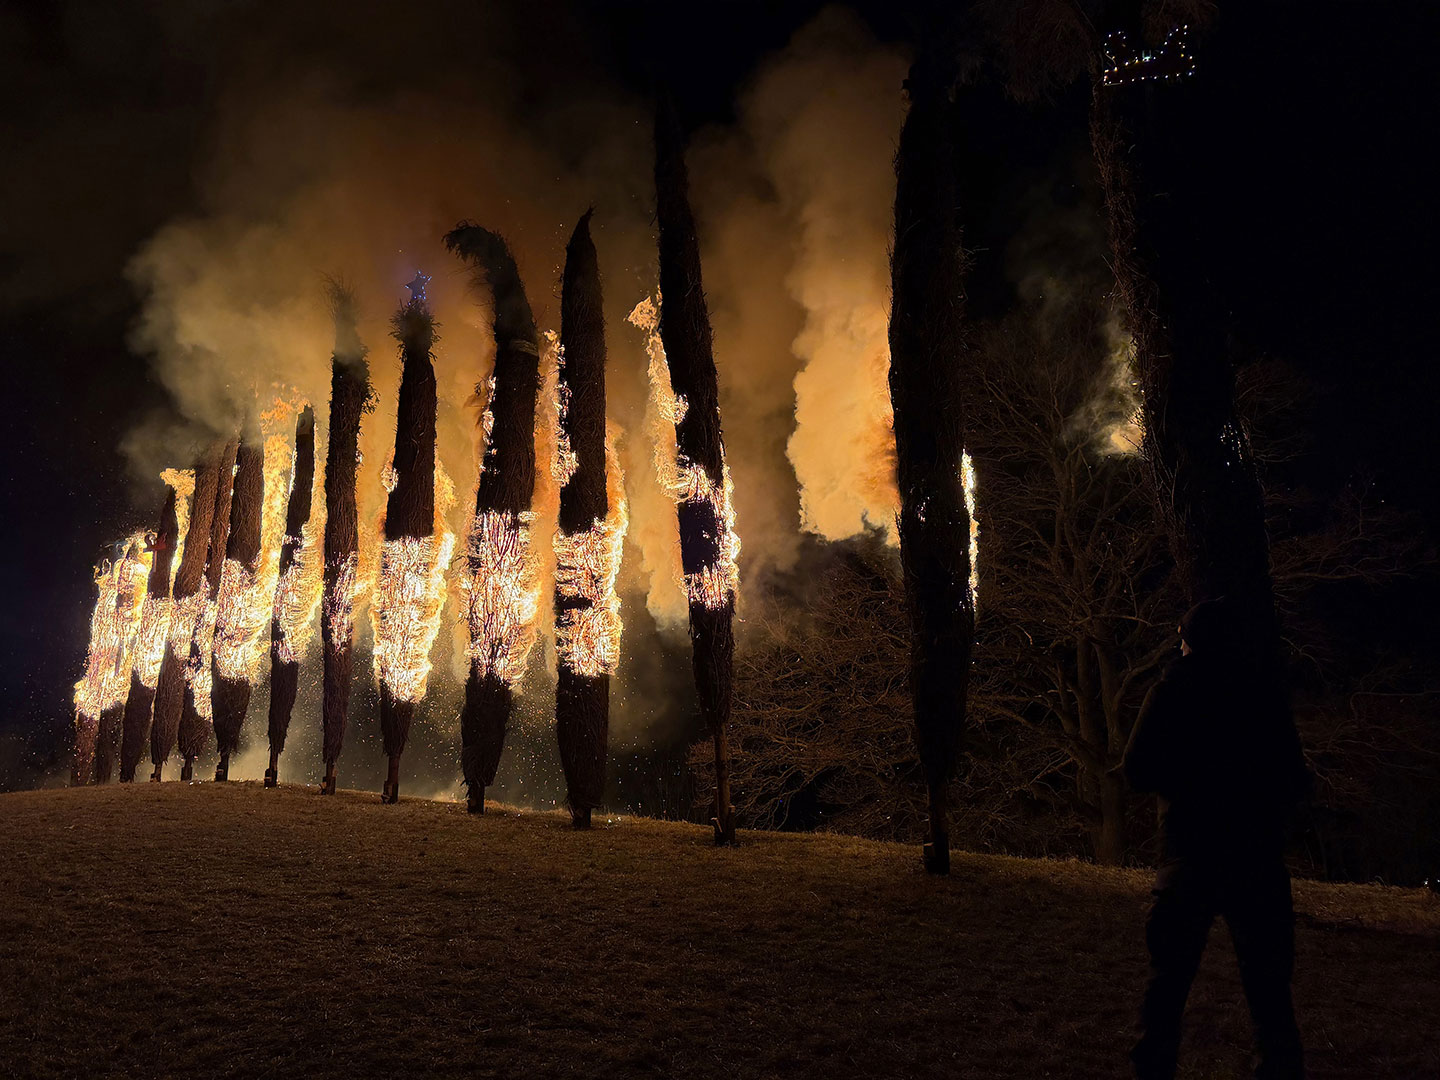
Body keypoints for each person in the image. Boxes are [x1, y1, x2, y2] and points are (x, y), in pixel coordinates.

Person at [1122, 597, 1311, 1080]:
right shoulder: (1263, 696)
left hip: (1189, 852)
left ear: (1189, 643)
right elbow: (1294, 780)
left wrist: (1186, 779)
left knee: (1167, 984)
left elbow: (1137, 770)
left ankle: (1153, 1070)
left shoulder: (1170, 692)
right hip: (1256, 857)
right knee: (1269, 992)